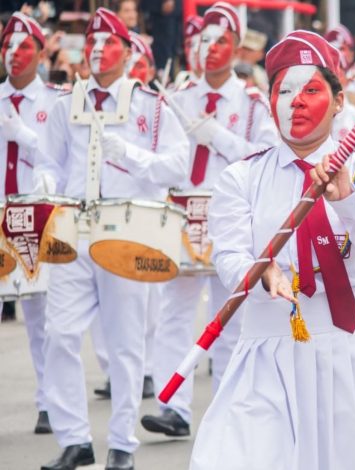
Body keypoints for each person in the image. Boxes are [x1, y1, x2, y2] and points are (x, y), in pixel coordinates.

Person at [188, 29, 355, 470]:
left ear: (337, 100)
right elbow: (229, 256)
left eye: (311, 89)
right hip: (269, 353)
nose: (295, 101)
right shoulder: (241, 177)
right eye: (283, 90)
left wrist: (347, 199)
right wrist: (262, 272)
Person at [35, 8, 188, 470]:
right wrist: (45, 182)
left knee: (125, 346)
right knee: (59, 335)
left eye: (108, 44)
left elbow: (178, 166)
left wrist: (134, 157)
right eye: (92, 45)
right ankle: (75, 439)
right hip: (74, 232)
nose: (98, 52)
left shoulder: (151, 106)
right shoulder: (67, 103)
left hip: (126, 233)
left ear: (128, 50)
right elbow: (48, 158)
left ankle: (122, 443)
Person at [140, 2, 278, 439]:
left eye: (221, 40)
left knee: (231, 317)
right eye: (203, 40)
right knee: (175, 312)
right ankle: (173, 407)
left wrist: (216, 136)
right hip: (182, 212)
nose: (210, 49)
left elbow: (267, 159)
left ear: (237, 46)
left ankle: (226, 409)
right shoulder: (177, 97)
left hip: (228, 217)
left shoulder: (254, 103)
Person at [0, 10, 61, 435]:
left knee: (40, 317)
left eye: (24, 46)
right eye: (7, 46)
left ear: (41, 52)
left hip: (32, 215)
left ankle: (48, 403)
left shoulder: (55, 101)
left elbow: (62, 159)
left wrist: (24, 134)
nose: (14, 54)